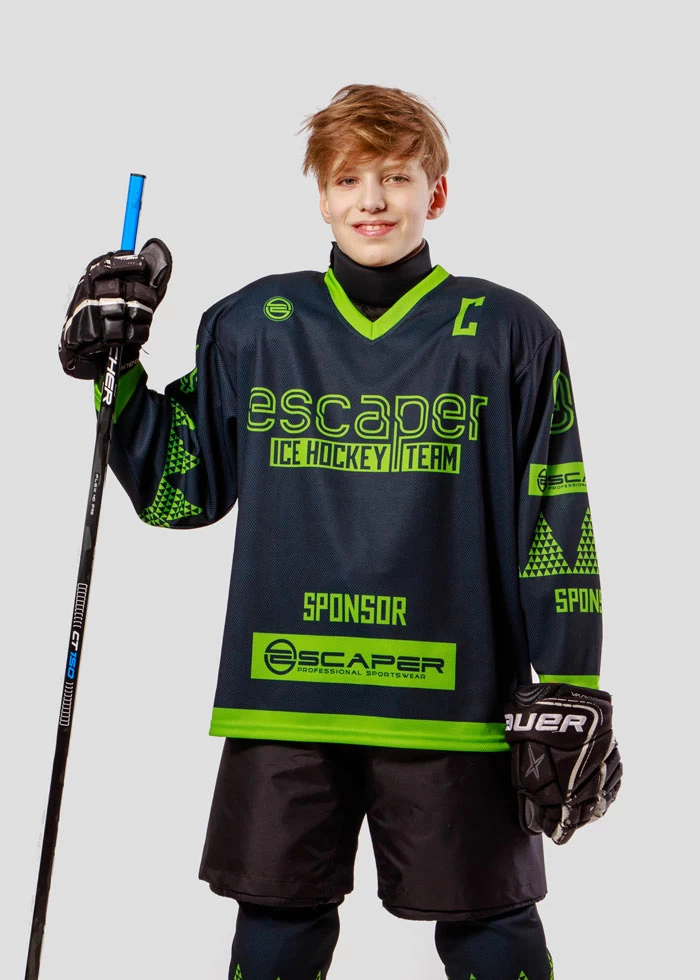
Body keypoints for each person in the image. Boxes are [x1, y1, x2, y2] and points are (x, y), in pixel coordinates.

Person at [59, 84, 621, 980]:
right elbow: (179, 491)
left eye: (396, 177)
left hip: (455, 701)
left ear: (437, 192)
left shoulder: (510, 331)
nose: (373, 200)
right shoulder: (251, 324)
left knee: (490, 918)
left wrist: (572, 681)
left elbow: (554, 512)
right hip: (284, 696)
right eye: (349, 179)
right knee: (277, 918)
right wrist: (114, 375)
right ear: (321, 196)